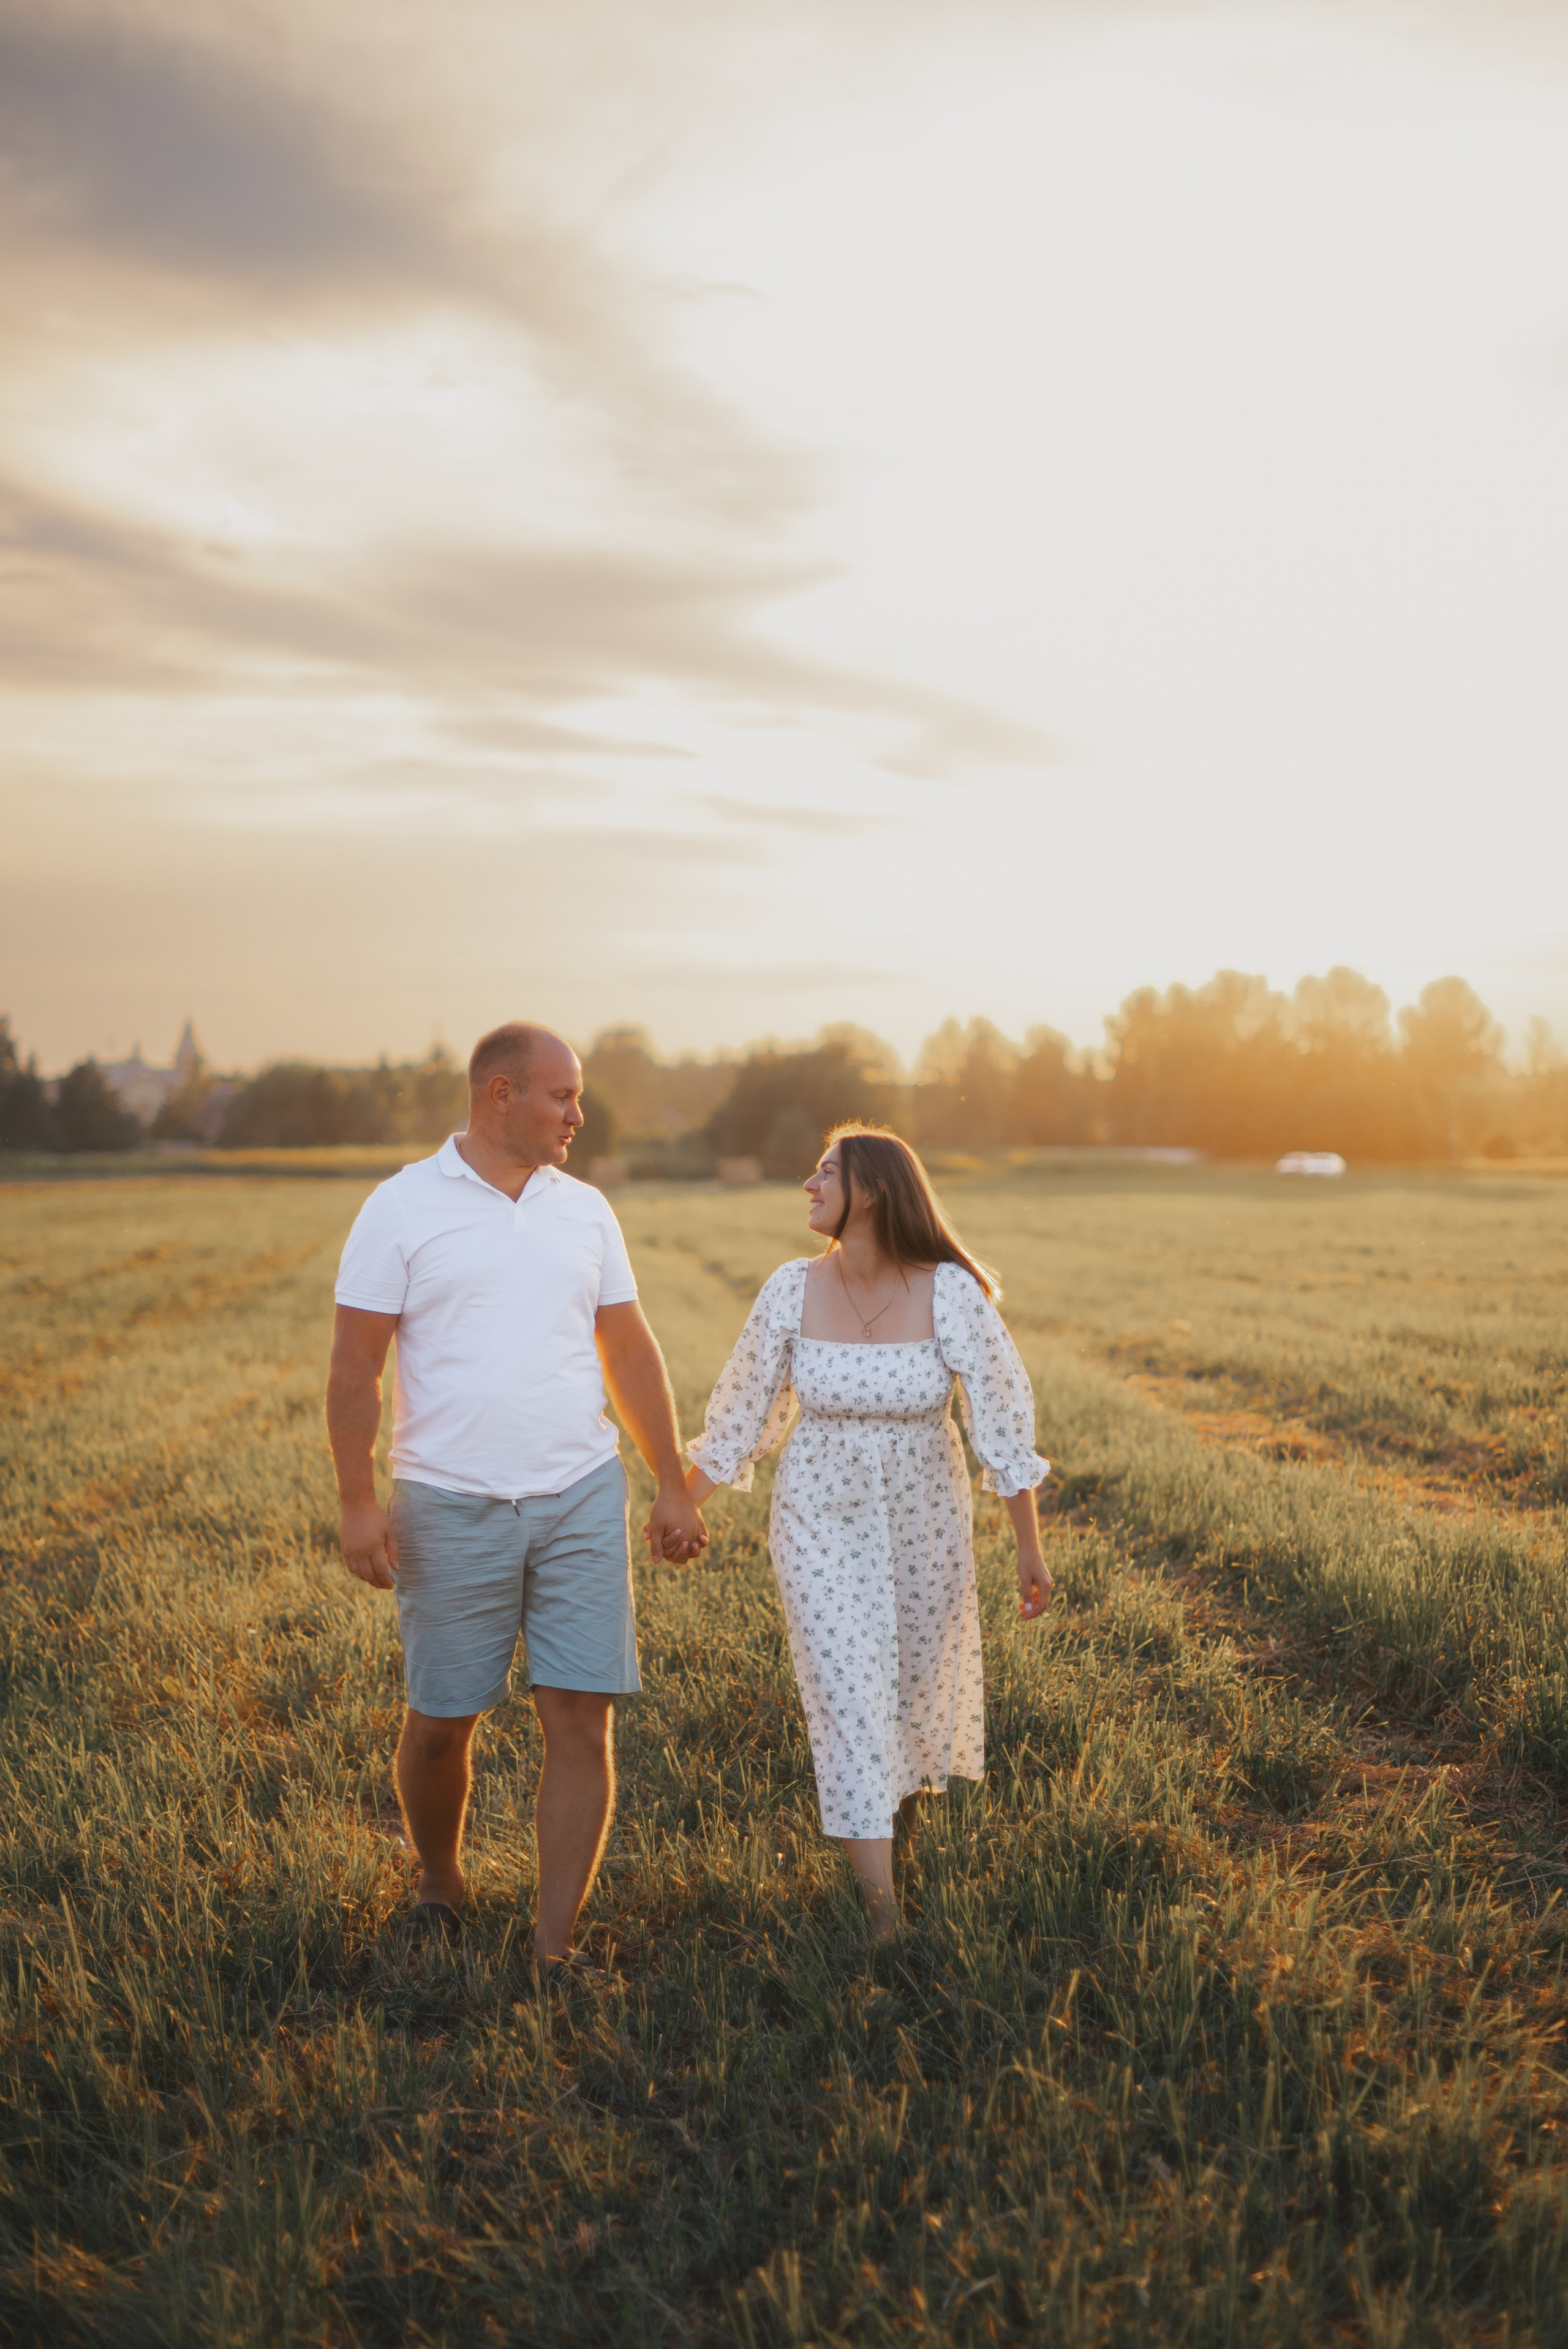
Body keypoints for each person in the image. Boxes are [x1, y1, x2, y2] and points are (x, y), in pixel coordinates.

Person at [326, 1021, 707, 1972]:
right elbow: (354, 1366)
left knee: (582, 1718)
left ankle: (553, 1946)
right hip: (448, 1502)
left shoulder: (585, 1211)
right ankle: (439, 1883)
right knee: (441, 1721)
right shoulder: (401, 1207)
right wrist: (358, 1501)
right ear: (501, 1094)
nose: (578, 1114)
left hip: (581, 1494)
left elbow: (629, 1349)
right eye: (561, 1096)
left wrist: (671, 1483)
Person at [684, 1124, 1052, 1939]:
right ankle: (885, 1922)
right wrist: (682, 1504)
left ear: (875, 1191)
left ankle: (891, 1846)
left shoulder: (950, 1292)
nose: (809, 1185)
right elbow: (742, 1417)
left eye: (827, 1172)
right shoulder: (790, 1288)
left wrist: (1029, 1547)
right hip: (818, 1520)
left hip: (925, 1524)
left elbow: (1002, 1424)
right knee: (850, 1693)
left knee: (910, 1696)